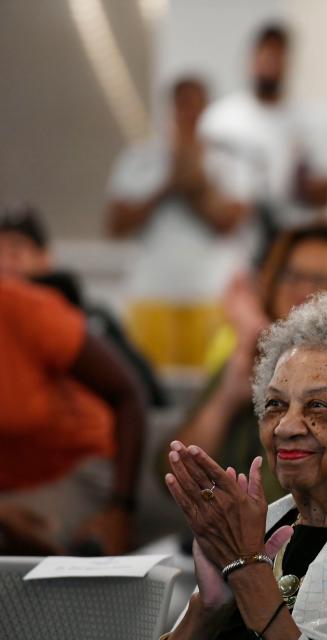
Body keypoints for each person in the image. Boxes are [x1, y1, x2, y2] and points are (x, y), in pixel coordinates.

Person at [163, 292, 327, 639]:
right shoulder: (271, 521)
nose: (285, 427)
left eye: (318, 405)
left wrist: (248, 572)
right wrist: (209, 605)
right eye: (275, 403)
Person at [171, 223, 327, 504]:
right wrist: (225, 400)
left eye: (321, 281)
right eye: (292, 276)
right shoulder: (249, 356)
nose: (303, 290)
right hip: (222, 537)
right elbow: (173, 476)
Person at [107, 75, 255, 369]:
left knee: (208, 389)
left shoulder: (228, 162)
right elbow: (116, 224)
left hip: (211, 295)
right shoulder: (140, 158)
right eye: (182, 105)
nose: (188, 113)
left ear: (206, 110)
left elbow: (229, 222)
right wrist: (167, 187)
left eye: (196, 106)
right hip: (151, 294)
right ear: (171, 108)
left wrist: (192, 187)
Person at [0, 277, 145, 554]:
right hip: (7, 491)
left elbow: (128, 394)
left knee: (20, 546)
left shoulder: (26, 308)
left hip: (73, 469)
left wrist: (121, 509)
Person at [0, 202, 167, 407]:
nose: (4, 263)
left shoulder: (86, 320)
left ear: (45, 257)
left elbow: (141, 392)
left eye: (15, 251)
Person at [200, 23, 327, 234]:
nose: (269, 63)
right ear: (251, 58)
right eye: (264, 54)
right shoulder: (220, 119)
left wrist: (299, 178)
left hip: (291, 235)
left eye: (277, 55)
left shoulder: (315, 118)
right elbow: (200, 183)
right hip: (230, 241)